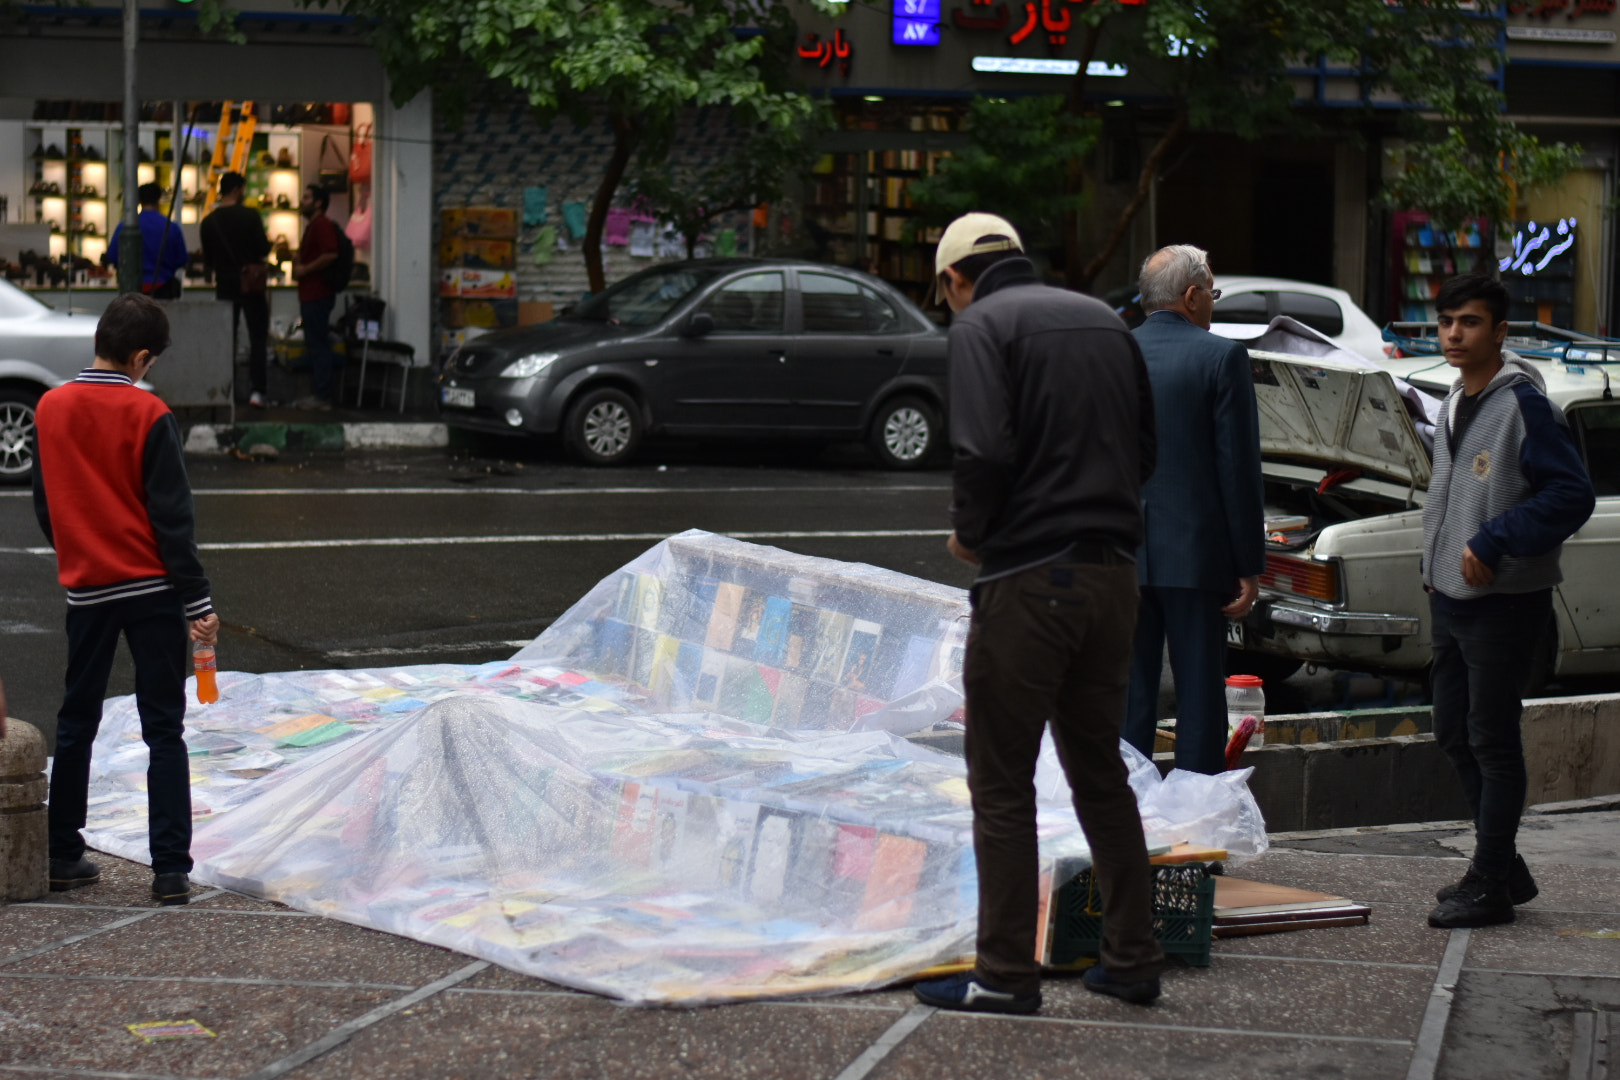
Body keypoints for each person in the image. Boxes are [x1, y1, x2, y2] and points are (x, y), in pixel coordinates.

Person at [912, 213, 1164, 1015]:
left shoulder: (982, 326)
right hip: (1116, 579)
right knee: (1100, 774)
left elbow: (981, 449)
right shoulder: (1104, 320)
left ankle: (1004, 976)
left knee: (1002, 783)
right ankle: (1132, 958)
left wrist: (974, 533)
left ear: (957, 278)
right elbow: (1147, 447)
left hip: (1030, 581)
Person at [32, 293, 218, 906]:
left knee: (76, 720)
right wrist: (198, 604)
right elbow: (173, 520)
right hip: (152, 593)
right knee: (163, 727)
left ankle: (62, 852)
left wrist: (80, 552)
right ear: (140, 357)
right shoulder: (149, 414)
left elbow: (45, 504)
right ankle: (169, 870)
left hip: (86, 591)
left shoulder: (50, 407)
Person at [1422, 273, 1594, 929]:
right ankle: (1503, 863)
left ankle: (1490, 882)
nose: (1454, 334)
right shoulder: (1452, 401)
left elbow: (1570, 495)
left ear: (1499, 331)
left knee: (1493, 740)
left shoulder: (1524, 404)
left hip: (1504, 599)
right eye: (1446, 323)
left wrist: (1497, 538)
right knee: (1451, 730)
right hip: (1450, 596)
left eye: (1468, 322)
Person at [1121, 245, 1264, 774]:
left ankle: (1125, 822)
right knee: (1200, 698)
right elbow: (1238, 469)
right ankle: (1193, 830)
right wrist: (1248, 563)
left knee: (1130, 695)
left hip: (1124, 554)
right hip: (1197, 558)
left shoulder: (1116, 352)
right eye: (1212, 294)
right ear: (1191, 296)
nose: (1212, 305)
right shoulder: (1221, 357)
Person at [200, 171, 274, 408]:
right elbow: (262, 249)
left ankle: (226, 392)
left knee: (226, 340)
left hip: (225, 284)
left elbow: (209, 261)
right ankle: (257, 392)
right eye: (242, 189)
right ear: (236, 190)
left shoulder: (209, 222)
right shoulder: (251, 216)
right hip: (251, 285)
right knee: (257, 339)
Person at [292, 184, 341, 410]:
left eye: (307, 197)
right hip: (312, 294)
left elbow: (331, 253)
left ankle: (322, 396)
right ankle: (320, 394)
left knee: (319, 344)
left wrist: (305, 268)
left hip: (317, 294)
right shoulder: (314, 226)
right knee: (316, 343)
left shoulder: (321, 225)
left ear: (318, 202)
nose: (302, 201)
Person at [106, 183, 188, 298]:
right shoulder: (172, 227)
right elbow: (181, 259)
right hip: (163, 289)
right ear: (159, 199)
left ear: (139, 200)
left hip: (133, 290)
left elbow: (112, 256)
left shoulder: (126, 227)